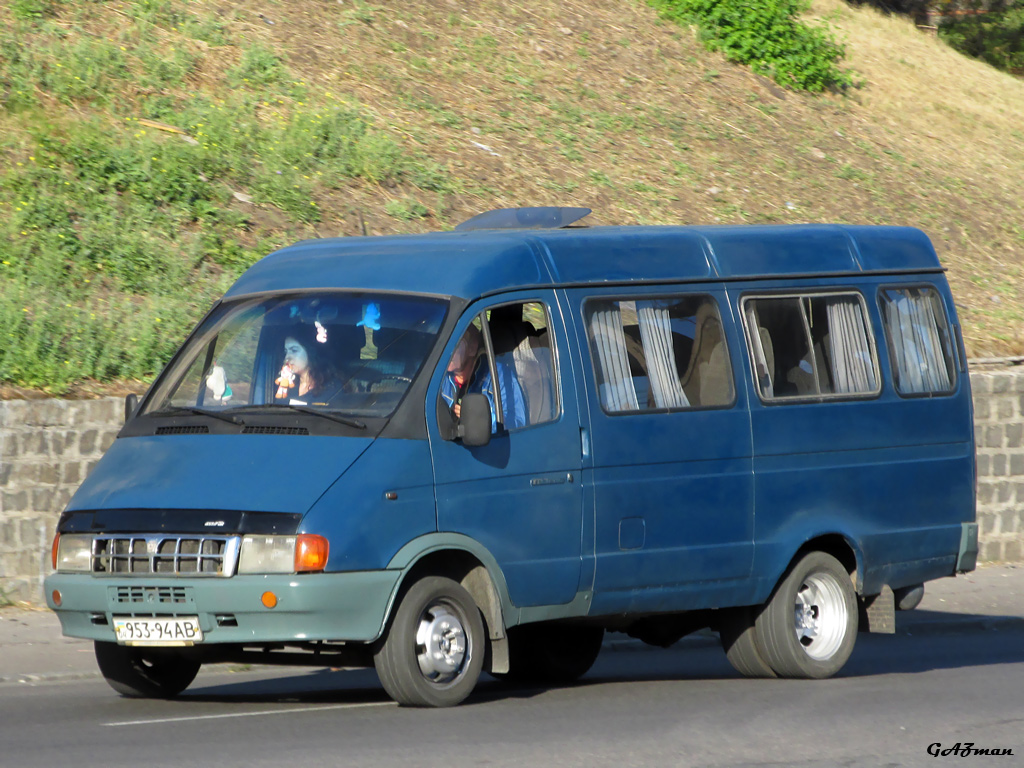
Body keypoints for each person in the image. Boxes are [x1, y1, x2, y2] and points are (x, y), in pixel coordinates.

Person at [440, 324, 526, 433]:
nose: (449, 352)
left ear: (472, 348)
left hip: (485, 447)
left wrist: (477, 417)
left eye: (456, 345)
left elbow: (516, 423)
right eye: (445, 345)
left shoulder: (498, 375)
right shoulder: (438, 377)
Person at [275, 324, 339, 405]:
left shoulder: (332, 388)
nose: (287, 357)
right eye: (286, 352)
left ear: (310, 352)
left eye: (294, 350)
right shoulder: (286, 385)